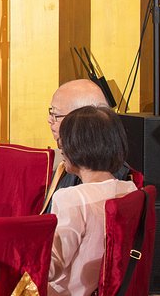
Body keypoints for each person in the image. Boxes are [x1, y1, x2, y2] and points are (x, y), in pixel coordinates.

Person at [44, 106, 138, 296]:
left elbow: (50, 268)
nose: (60, 147)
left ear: (78, 147)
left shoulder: (72, 198)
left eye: (64, 142)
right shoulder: (130, 190)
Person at [42, 79, 131, 213]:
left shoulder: (104, 178)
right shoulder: (71, 162)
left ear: (84, 122)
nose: (49, 120)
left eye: (55, 114)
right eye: (51, 112)